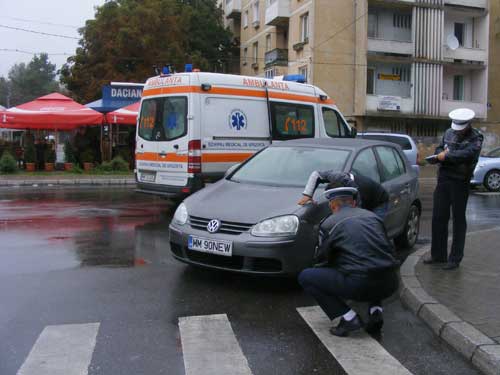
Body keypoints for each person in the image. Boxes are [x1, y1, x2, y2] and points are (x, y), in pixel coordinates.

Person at [298, 185, 399, 337]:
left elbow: (322, 259)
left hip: (360, 285)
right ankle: (375, 312)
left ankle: (349, 318)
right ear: (353, 203)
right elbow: (387, 250)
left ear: (332, 205)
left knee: (306, 276)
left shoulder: (329, 223)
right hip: (390, 283)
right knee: (373, 264)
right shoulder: (374, 217)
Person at [424, 108, 483, 271]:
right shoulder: (449, 132)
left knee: (458, 220)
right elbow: (440, 148)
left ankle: (455, 258)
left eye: (461, 127)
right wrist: (438, 154)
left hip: (460, 182)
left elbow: (468, 155)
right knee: (438, 217)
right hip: (443, 179)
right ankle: (438, 255)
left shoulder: (476, 136)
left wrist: (446, 156)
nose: (458, 130)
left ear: (468, 125)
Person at [298, 171, 389, 218]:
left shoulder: (357, 194)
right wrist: (307, 195)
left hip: (379, 201)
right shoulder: (336, 176)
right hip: (366, 196)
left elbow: (356, 214)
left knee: (371, 227)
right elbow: (316, 174)